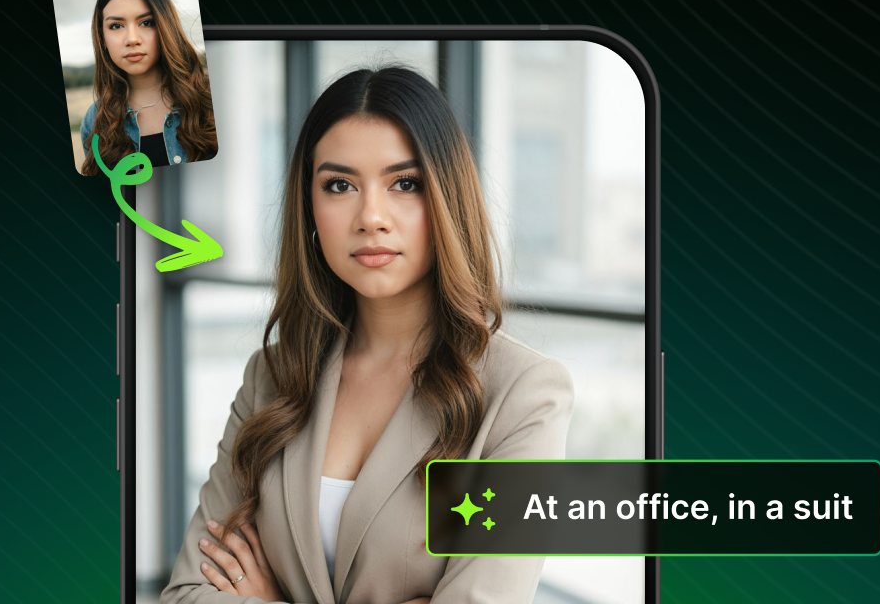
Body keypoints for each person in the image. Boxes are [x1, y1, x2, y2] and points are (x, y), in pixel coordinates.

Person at [160, 67, 574, 604]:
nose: (371, 217)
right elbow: (188, 592)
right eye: (339, 185)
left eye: (405, 183)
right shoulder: (272, 376)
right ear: (310, 208)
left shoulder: (524, 393)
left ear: (448, 198)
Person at [78, 0, 216, 174]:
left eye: (146, 22)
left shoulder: (211, 97)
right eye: (116, 26)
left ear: (165, 27)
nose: (132, 39)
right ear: (102, 38)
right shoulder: (94, 121)